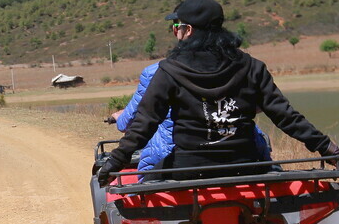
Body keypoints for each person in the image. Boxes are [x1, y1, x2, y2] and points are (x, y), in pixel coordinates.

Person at [98, 0, 339, 186]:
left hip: (188, 169)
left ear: (189, 30)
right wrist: (326, 147)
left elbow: (144, 123)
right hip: (247, 166)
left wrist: (115, 162)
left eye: (177, 26)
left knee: (145, 190)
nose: (175, 31)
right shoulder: (252, 67)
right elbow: (285, 116)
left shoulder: (169, 71)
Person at [110, 61, 272, 174]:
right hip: (245, 157)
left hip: (175, 160)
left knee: (137, 196)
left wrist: (119, 116)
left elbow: (128, 122)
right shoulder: (243, 65)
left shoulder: (156, 71)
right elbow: (261, 106)